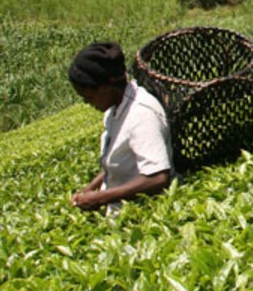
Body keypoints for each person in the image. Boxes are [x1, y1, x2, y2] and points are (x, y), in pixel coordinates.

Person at [68, 42, 176, 215]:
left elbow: (158, 178)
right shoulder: (115, 107)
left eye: (89, 95)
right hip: (117, 211)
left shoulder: (141, 114)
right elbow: (118, 162)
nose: (87, 102)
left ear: (107, 86)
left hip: (140, 216)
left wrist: (101, 198)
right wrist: (90, 189)